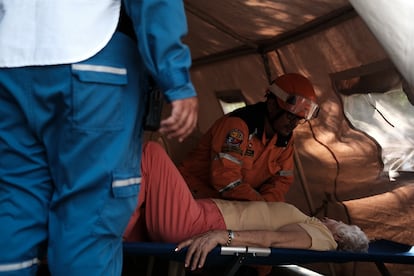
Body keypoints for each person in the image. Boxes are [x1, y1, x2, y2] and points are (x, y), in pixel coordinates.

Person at [0, 1, 197, 275]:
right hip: (92, 59)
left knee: (14, 205)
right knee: (89, 218)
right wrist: (176, 78)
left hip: (9, 63)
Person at [124, 142, 370, 272]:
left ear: (340, 233)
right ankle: (115, 230)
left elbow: (275, 240)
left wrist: (224, 235)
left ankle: (115, 229)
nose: (333, 219)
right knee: (144, 192)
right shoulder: (313, 225)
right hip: (199, 217)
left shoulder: (323, 237)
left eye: (340, 222)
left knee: (152, 151)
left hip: (199, 224)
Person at [178, 73, 319, 202]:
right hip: (193, 194)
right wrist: (258, 205)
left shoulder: (285, 140)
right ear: (272, 105)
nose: (293, 124)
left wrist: (268, 204)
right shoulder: (238, 127)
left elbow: (282, 180)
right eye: (290, 116)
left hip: (233, 201)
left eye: (298, 120)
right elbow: (225, 177)